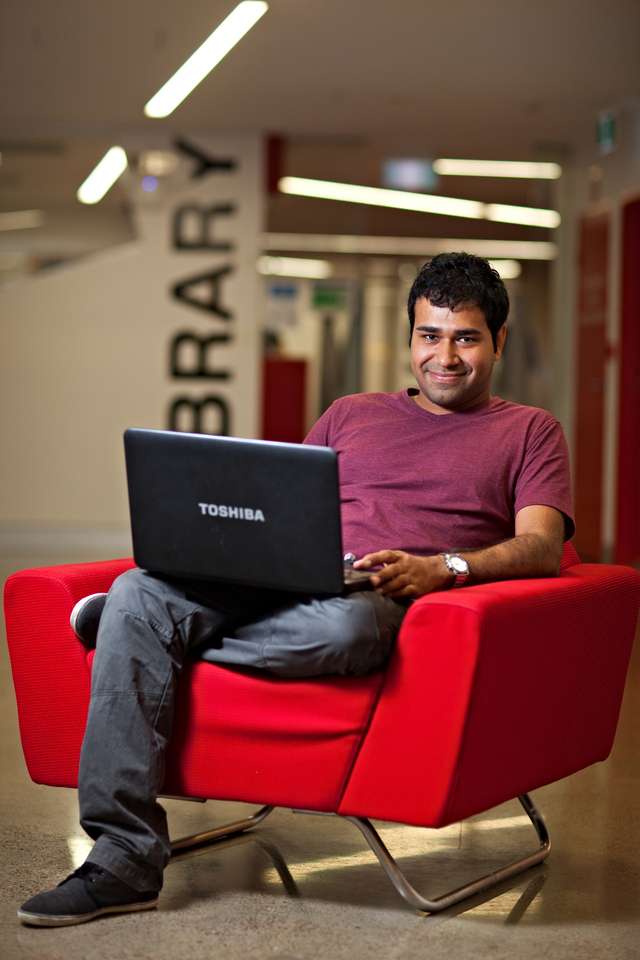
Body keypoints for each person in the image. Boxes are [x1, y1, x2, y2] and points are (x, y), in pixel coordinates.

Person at [18, 252, 574, 927]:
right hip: (288, 573)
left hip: (383, 593)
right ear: (410, 340)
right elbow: (287, 502)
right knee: (138, 591)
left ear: (499, 341)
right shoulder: (350, 413)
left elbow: (544, 545)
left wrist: (445, 569)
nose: (445, 357)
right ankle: (123, 860)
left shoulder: (529, 431)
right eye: (430, 335)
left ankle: (140, 644)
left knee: (343, 631)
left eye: (466, 337)